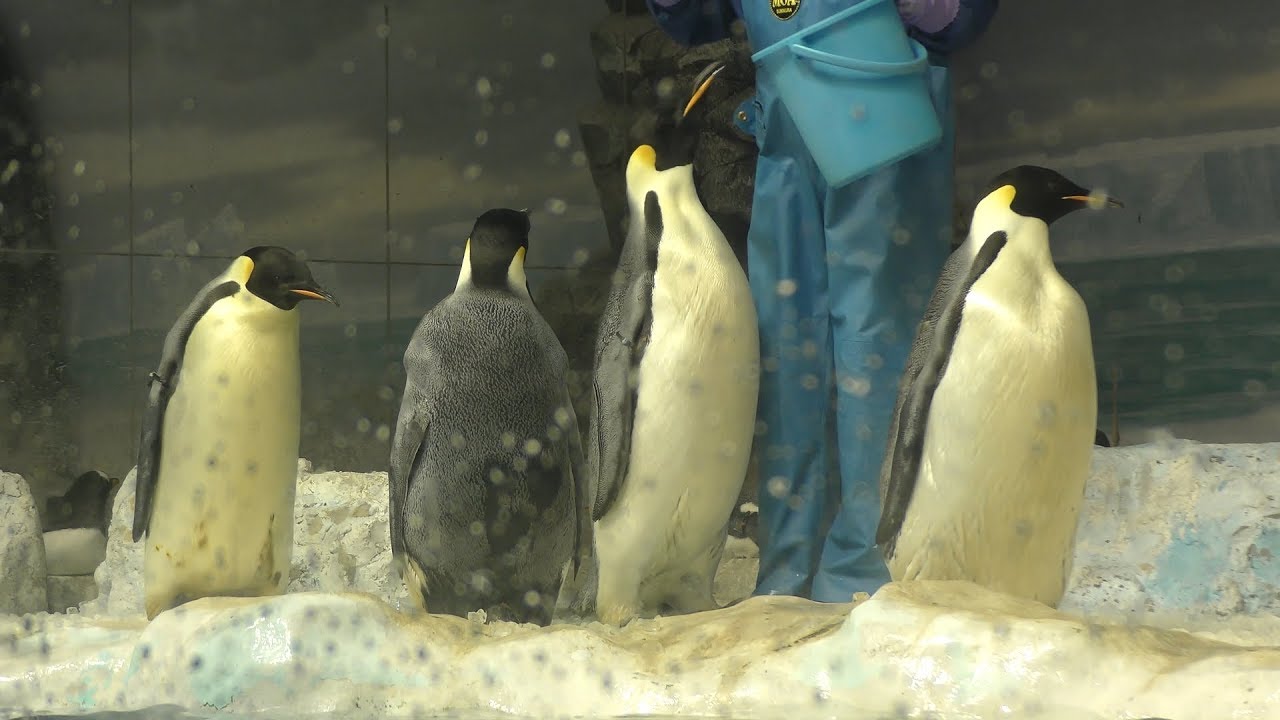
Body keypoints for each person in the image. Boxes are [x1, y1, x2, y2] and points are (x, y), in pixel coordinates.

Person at [642, 0, 1000, 602]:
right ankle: (791, 564)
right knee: (787, 339)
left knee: (876, 336)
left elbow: (958, 20)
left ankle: (872, 566)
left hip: (884, 104)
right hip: (788, 121)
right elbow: (695, 19)